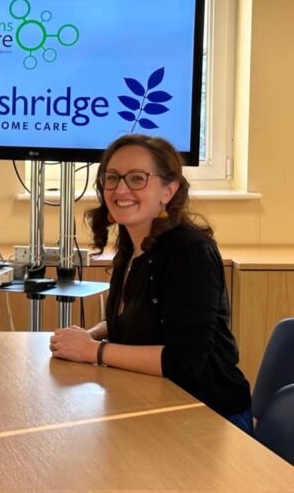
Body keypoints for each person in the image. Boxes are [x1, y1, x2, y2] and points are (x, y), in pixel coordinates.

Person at [50, 134, 252, 433]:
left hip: (209, 419)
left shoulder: (189, 251)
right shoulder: (133, 246)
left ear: (168, 190)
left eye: (137, 178)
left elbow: (183, 362)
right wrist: (88, 335)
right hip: (154, 406)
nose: (120, 189)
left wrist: (93, 350)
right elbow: (141, 315)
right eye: (112, 178)